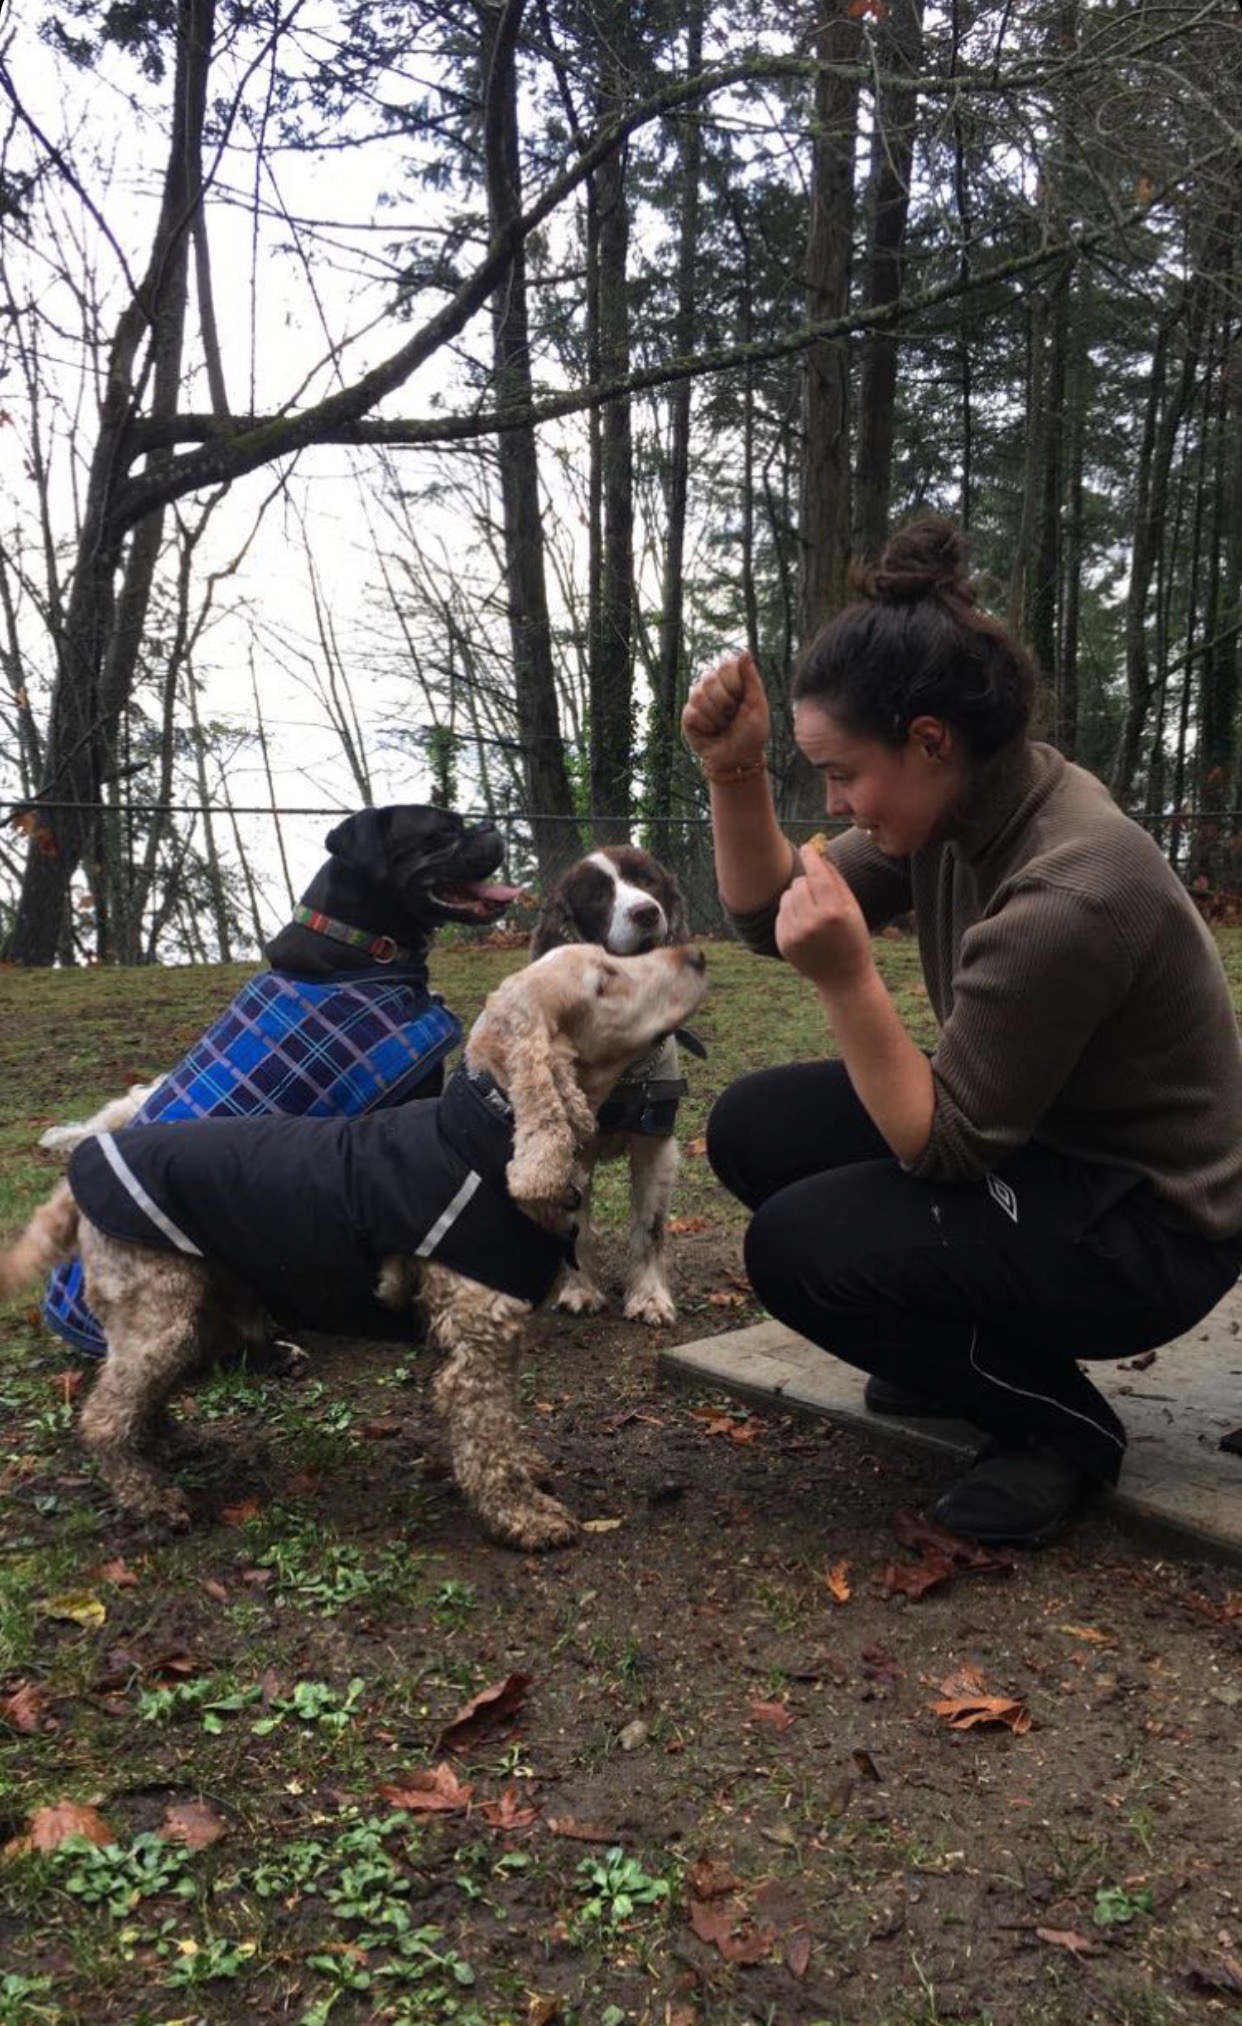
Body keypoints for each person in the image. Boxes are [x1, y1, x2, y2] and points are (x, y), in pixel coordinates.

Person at [682, 513, 1242, 1545]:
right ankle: (961, 1343)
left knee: (800, 1249)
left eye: (843, 774)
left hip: (1149, 1227)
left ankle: (1056, 1429)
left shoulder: (1068, 886)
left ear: (930, 738)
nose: (837, 801)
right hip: (1044, 1146)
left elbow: (941, 1143)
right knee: (756, 1126)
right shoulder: (963, 803)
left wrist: (851, 978)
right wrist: (733, 774)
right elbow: (767, 915)